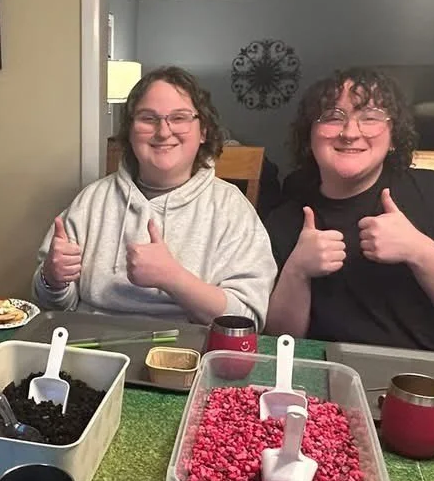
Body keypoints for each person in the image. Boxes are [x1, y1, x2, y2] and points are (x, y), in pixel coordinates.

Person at [263, 68, 434, 357]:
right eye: (333, 117)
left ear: (394, 136)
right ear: (309, 136)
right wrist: (297, 270)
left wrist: (419, 251)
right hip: (353, 377)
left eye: (370, 117)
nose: (350, 132)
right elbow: (281, 344)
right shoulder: (286, 220)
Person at [33, 66, 276, 326]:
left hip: (188, 354)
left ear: (203, 130)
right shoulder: (91, 201)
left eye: (180, 118)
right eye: (148, 118)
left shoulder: (231, 209)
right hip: (91, 348)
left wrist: (173, 278)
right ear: (130, 130)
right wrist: (52, 278)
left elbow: (246, 320)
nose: (163, 132)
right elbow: (51, 305)